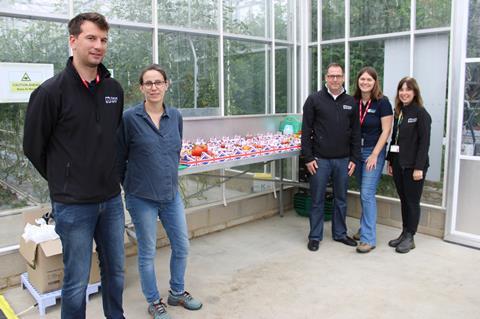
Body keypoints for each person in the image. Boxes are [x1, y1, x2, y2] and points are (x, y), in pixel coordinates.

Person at [23, 12, 125, 319]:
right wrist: (64, 180)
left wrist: (112, 177)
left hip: (110, 199)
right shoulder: (49, 93)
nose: (99, 46)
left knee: (116, 271)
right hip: (73, 205)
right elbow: (33, 147)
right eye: (91, 38)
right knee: (76, 280)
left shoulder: (113, 91)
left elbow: (113, 138)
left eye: (104, 39)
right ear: (73, 41)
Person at [117, 64, 202, 319]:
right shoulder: (130, 118)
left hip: (170, 194)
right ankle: (154, 301)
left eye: (158, 82)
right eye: (148, 83)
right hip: (141, 196)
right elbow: (119, 157)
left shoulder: (175, 116)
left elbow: (173, 150)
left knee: (182, 246)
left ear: (166, 85)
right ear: (141, 88)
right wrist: (129, 186)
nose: (154, 87)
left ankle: (176, 292)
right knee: (147, 252)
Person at [301, 62, 361, 252]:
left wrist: (354, 159)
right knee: (317, 199)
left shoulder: (351, 102)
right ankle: (315, 236)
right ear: (326, 78)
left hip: (343, 160)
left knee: (341, 199)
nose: (334, 79)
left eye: (338, 76)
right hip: (319, 160)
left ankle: (340, 234)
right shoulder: (314, 100)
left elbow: (356, 134)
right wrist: (308, 158)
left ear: (343, 78)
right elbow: (306, 131)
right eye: (331, 76)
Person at [386, 77, 431, 254]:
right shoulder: (399, 112)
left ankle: (410, 237)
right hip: (398, 164)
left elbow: (424, 143)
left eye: (408, 90)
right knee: (404, 200)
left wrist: (419, 167)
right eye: (401, 89)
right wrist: (390, 160)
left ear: (415, 92)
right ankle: (404, 233)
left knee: (412, 202)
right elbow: (394, 139)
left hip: (414, 167)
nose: (404, 93)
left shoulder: (421, 113)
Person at [352, 67, 393, 253]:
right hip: (356, 152)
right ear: (358, 81)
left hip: (372, 152)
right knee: (363, 192)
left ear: (375, 82)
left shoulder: (382, 102)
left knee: (367, 193)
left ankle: (369, 239)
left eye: (369, 79)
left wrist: (375, 154)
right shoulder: (354, 102)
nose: (365, 82)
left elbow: (386, 130)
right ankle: (364, 229)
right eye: (362, 79)